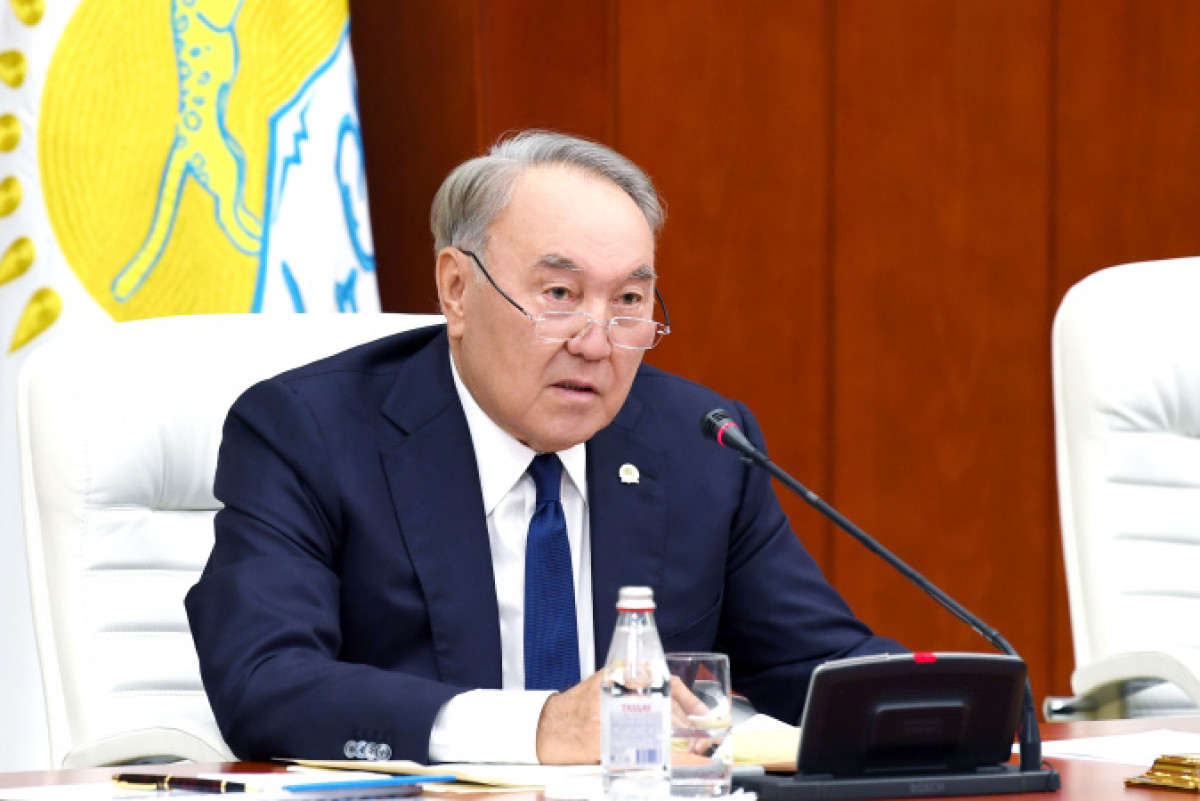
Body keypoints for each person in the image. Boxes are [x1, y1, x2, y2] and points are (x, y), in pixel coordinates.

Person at [185, 130, 903, 766]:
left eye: (628, 301)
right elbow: (263, 680)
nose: (596, 342)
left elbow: (820, 666)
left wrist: (942, 709)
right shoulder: (309, 432)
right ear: (456, 289)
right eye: (560, 293)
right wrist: (541, 727)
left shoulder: (699, 444)